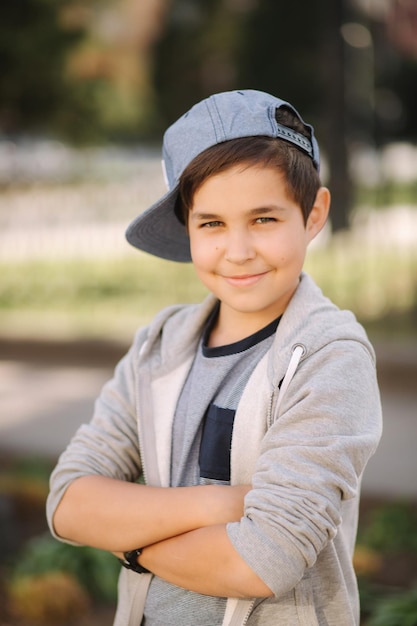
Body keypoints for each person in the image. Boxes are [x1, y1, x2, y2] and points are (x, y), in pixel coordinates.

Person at [47, 89, 382, 626]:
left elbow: (262, 562)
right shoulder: (158, 345)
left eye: (265, 219)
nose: (239, 249)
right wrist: (225, 505)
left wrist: (132, 545)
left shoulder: (328, 357)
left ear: (313, 213)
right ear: (189, 227)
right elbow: (68, 503)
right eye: (212, 224)